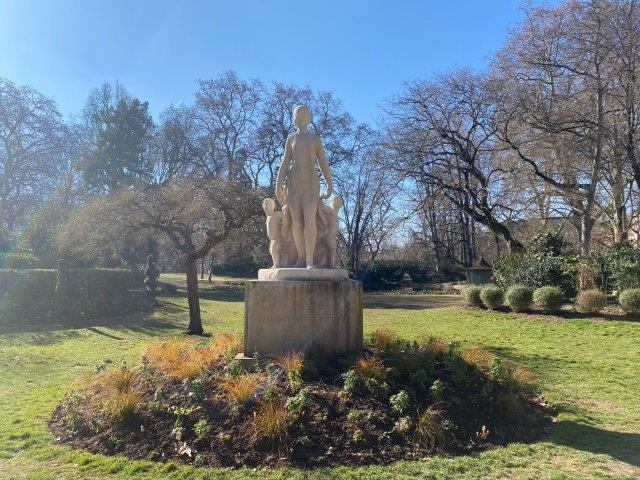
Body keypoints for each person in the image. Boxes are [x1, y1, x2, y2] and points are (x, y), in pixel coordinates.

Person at [276, 105, 332, 268]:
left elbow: (322, 161)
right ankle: (301, 257)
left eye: (308, 113)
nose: (306, 115)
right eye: (302, 113)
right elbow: (285, 162)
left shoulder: (315, 138)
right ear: (296, 116)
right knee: (297, 222)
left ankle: (309, 260)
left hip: (311, 181)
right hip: (294, 181)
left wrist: (329, 182)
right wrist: (279, 184)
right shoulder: (291, 138)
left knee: (309, 219)